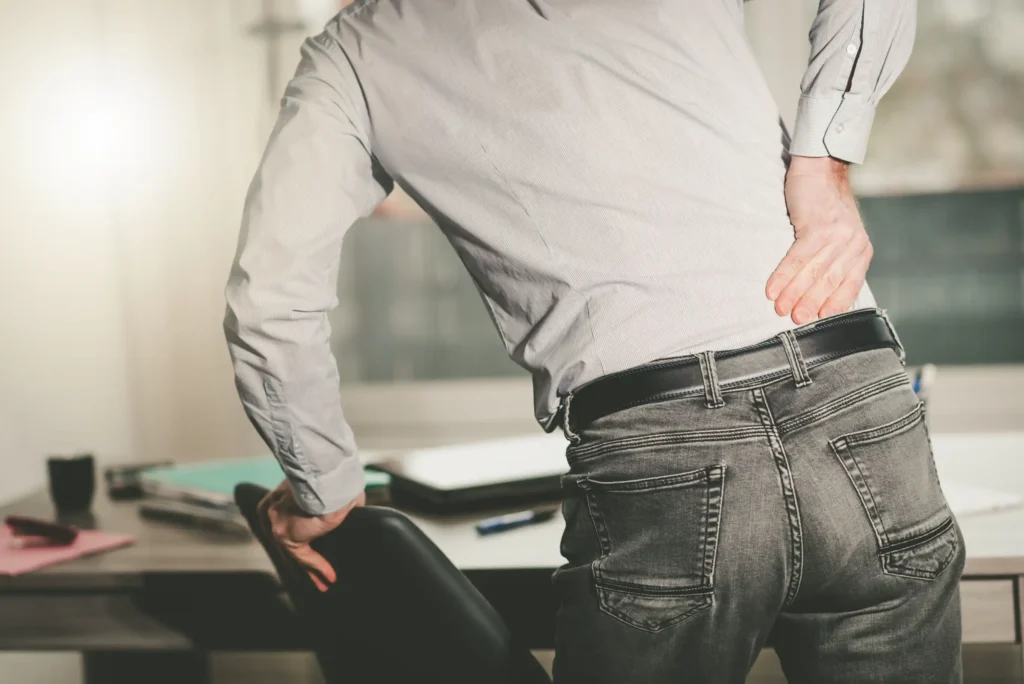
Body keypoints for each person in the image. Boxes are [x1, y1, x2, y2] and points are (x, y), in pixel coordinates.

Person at [225, 0, 964, 681]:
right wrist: (825, 157)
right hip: (861, 403)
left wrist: (324, 488)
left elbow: (271, 303)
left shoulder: (357, 53)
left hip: (660, 457)